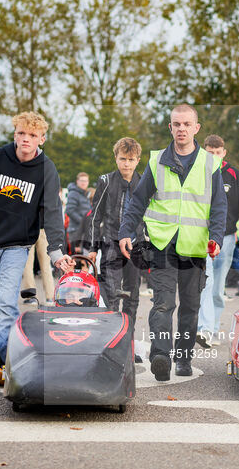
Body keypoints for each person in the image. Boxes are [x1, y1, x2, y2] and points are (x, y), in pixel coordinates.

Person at [118, 104, 227, 381]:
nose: (181, 129)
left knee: (190, 307)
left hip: (195, 247)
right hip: (162, 243)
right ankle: (161, 356)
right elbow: (138, 202)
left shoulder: (209, 163)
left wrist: (215, 237)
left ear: (196, 128)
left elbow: (218, 207)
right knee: (163, 303)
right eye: (176, 124)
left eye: (187, 124)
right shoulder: (156, 161)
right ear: (170, 127)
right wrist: (125, 231)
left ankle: (184, 357)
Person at [0, 111, 72, 384]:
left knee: (7, 301)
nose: (26, 139)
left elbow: (53, 213)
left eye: (32, 135)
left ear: (41, 139)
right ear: (15, 134)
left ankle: (5, 359)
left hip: (16, 246)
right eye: (21, 133)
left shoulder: (47, 169)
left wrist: (56, 253)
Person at [196, 134, 239, 347]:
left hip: (227, 237)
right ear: (204, 152)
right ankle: (205, 329)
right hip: (203, 236)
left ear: (224, 153)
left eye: (217, 153)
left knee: (218, 287)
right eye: (210, 153)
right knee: (206, 283)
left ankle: (214, 325)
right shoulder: (197, 171)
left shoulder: (233, 174)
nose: (214, 157)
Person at [85, 137, 144, 322]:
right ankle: (110, 337)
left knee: (132, 296)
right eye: (123, 159)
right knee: (111, 295)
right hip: (111, 242)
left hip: (136, 245)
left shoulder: (144, 182)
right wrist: (93, 248)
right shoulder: (106, 181)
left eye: (131, 160)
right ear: (115, 158)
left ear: (138, 160)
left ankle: (127, 341)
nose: (126, 164)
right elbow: (95, 216)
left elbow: (149, 217)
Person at [65, 172, 91, 254]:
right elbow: (69, 210)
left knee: (84, 258)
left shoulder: (85, 194)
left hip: (84, 232)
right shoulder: (74, 193)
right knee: (76, 258)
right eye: (82, 180)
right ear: (77, 181)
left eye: (86, 181)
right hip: (75, 231)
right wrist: (83, 222)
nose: (84, 183)